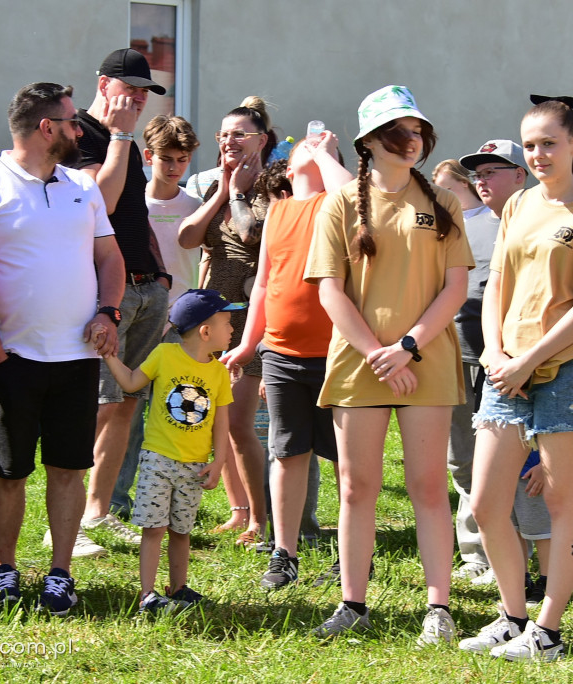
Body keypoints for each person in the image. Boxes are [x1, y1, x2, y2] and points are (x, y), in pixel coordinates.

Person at [459, 95, 573, 662]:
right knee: (486, 503)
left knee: (560, 504)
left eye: (549, 143)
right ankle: (512, 617)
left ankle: (548, 633)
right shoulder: (519, 205)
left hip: (568, 375)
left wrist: (529, 361)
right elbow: (496, 287)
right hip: (505, 370)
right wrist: (495, 353)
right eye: (529, 145)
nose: (538, 154)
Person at [304, 84, 472, 643]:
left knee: (428, 487)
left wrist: (408, 347)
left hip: (425, 361)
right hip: (360, 365)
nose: (413, 142)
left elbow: (454, 288)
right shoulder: (338, 205)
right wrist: (380, 353)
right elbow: (330, 291)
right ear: (370, 141)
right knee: (356, 488)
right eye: (401, 132)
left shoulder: (443, 203)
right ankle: (353, 603)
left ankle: (438, 609)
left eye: (420, 131)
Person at [0, 82, 125, 616]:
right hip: (13, 360)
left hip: (77, 358)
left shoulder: (82, 185)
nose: (80, 129)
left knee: (68, 469)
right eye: (73, 122)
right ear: (46, 129)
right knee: (10, 470)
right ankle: (5, 569)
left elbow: (110, 260)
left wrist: (108, 311)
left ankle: (60, 574)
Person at [222, 129, 352, 588]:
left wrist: (325, 156)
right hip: (281, 353)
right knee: (288, 452)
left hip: (336, 354)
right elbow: (263, 283)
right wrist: (248, 342)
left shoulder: (335, 201)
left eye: (326, 148)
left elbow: (353, 195)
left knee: (345, 461)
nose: (315, 148)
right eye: (308, 147)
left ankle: (353, 555)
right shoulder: (277, 211)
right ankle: (284, 553)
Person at [75, 48, 171, 552]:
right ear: (103, 82)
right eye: (129, 87)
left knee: (125, 403)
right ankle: (65, 520)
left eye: (145, 91)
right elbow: (100, 205)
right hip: (104, 290)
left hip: (146, 285)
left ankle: (98, 510)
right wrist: (119, 136)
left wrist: (160, 275)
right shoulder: (79, 133)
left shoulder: (126, 143)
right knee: (96, 404)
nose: (137, 98)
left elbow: (136, 213)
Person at [179, 96, 278, 547]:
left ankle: (261, 520)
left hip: (254, 319)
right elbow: (191, 240)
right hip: (216, 321)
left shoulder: (276, 186)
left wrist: (237, 193)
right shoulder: (217, 187)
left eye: (238, 133)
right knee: (222, 421)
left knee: (239, 424)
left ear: (263, 139)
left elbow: (252, 235)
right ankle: (241, 511)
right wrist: (221, 190)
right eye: (223, 134)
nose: (228, 141)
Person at [102, 290, 236, 613]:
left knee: (182, 530)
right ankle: (147, 596)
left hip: (194, 466)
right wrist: (109, 356)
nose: (232, 329)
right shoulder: (164, 355)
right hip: (157, 461)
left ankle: (178, 588)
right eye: (227, 323)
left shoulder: (218, 373)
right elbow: (133, 382)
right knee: (155, 529)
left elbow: (221, 423)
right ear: (205, 332)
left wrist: (219, 461)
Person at [109, 114, 202, 521]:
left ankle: (166, 501)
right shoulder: (134, 204)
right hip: (140, 314)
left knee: (175, 416)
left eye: (182, 159)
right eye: (166, 158)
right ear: (148, 156)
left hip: (181, 326)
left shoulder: (195, 207)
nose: (174, 167)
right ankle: (114, 498)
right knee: (124, 411)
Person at [448, 139, 530, 584]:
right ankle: (477, 552)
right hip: (461, 356)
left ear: (520, 175)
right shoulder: (464, 226)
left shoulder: (539, 224)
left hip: (517, 366)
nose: (482, 180)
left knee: (514, 462)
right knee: (463, 458)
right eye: (477, 174)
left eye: (493, 171)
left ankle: (522, 549)